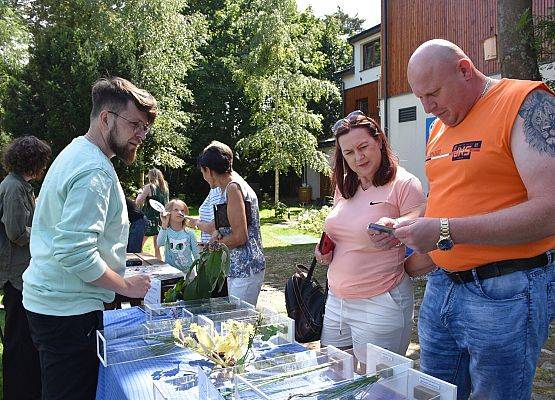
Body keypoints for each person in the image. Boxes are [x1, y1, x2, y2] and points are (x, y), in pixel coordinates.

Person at [394, 39, 555, 400]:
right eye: (419, 97)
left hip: (506, 291)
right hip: (443, 288)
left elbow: (551, 211)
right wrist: (404, 223)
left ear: (465, 69)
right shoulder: (438, 128)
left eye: (432, 93)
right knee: (432, 393)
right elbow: (444, 201)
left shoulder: (525, 102)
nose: (427, 107)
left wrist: (445, 231)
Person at [22, 77, 155, 400]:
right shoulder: (92, 169)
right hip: (67, 313)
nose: (140, 135)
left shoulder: (78, 152)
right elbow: (76, 252)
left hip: (56, 306)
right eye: (135, 124)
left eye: (145, 129)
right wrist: (126, 287)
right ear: (106, 118)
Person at [313, 110, 425, 368]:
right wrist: (325, 249)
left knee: (380, 387)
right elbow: (339, 228)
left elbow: (419, 223)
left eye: (363, 147)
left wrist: (395, 226)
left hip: (380, 301)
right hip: (337, 301)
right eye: (349, 153)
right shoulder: (344, 186)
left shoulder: (404, 184)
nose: (358, 157)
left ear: (379, 141)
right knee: (333, 375)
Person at [0, 136, 51, 400]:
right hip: (15, 278)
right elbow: (17, 233)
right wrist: (46, 229)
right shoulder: (13, 187)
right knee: (18, 343)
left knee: (25, 342)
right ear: (32, 161)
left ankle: (29, 389)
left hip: (23, 275)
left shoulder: (21, 186)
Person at [189, 141, 265, 306]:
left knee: (239, 326)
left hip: (245, 271)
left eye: (202, 172)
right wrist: (214, 237)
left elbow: (240, 237)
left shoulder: (233, 188)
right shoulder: (231, 186)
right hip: (239, 271)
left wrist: (210, 248)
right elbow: (227, 227)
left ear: (208, 170)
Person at [158, 199, 199, 276]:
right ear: (168, 213)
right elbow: (160, 243)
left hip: (188, 273)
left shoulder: (189, 233)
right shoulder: (165, 231)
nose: (179, 212)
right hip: (171, 272)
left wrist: (200, 270)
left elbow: (196, 254)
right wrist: (164, 224)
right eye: (176, 210)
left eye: (182, 211)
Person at [136, 168, 169, 259]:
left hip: (148, 218)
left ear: (150, 176)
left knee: (138, 245)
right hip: (161, 219)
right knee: (157, 247)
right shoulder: (165, 188)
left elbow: (138, 202)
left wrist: (139, 193)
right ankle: (159, 267)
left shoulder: (149, 187)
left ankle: (141, 265)